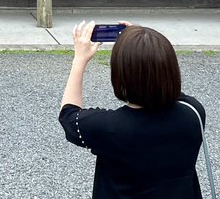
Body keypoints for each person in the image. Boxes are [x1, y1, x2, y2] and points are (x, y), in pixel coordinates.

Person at [59, 21, 207, 199]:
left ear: (120, 76)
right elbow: (167, 88)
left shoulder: (109, 128)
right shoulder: (194, 113)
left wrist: (79, 60)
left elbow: (68, 115)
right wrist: (144, 41)